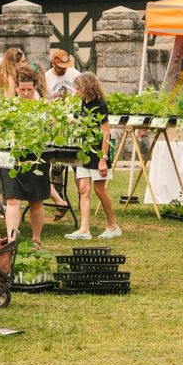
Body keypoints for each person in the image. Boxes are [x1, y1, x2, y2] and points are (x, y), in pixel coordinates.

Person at [0, 66, 54, 245]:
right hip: (12, 157)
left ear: (35, 87)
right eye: (22, 89)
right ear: (16, 88)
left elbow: (50, 133)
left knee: (36, 200)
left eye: (29, 89)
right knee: (12, 199)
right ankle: (11, 240)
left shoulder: (43, 107)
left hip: (36, 157)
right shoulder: (9, 109)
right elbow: (1, 135)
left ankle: (36, 239)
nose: (26, 93)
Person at [67, 73, 120, 241]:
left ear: (87, 87)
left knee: (99, 190)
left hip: (98, 153)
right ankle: (84, 229)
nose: (76, 91)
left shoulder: (100, 105)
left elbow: (106, 133)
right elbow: (84, 122)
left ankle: (113, 225)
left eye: (78, 88)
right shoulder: (84, 103)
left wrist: (103, 159)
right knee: (83, 189)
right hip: (84, 151)